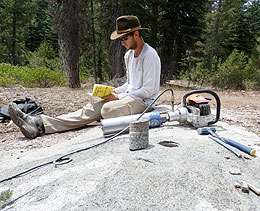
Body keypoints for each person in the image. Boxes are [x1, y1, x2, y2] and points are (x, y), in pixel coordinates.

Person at [8, 15, 161, 139]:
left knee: (107, 109)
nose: (122, 43)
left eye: (124, 38)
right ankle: (39, 123)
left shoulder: (150, 55)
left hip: (143, 102)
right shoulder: (128, 55)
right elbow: (130, 83)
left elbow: (148, 90)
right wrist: (112, 91)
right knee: (89, 109)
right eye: (120, 39)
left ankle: (39, 123)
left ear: (136, 34)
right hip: (128, 98)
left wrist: (119, 97)